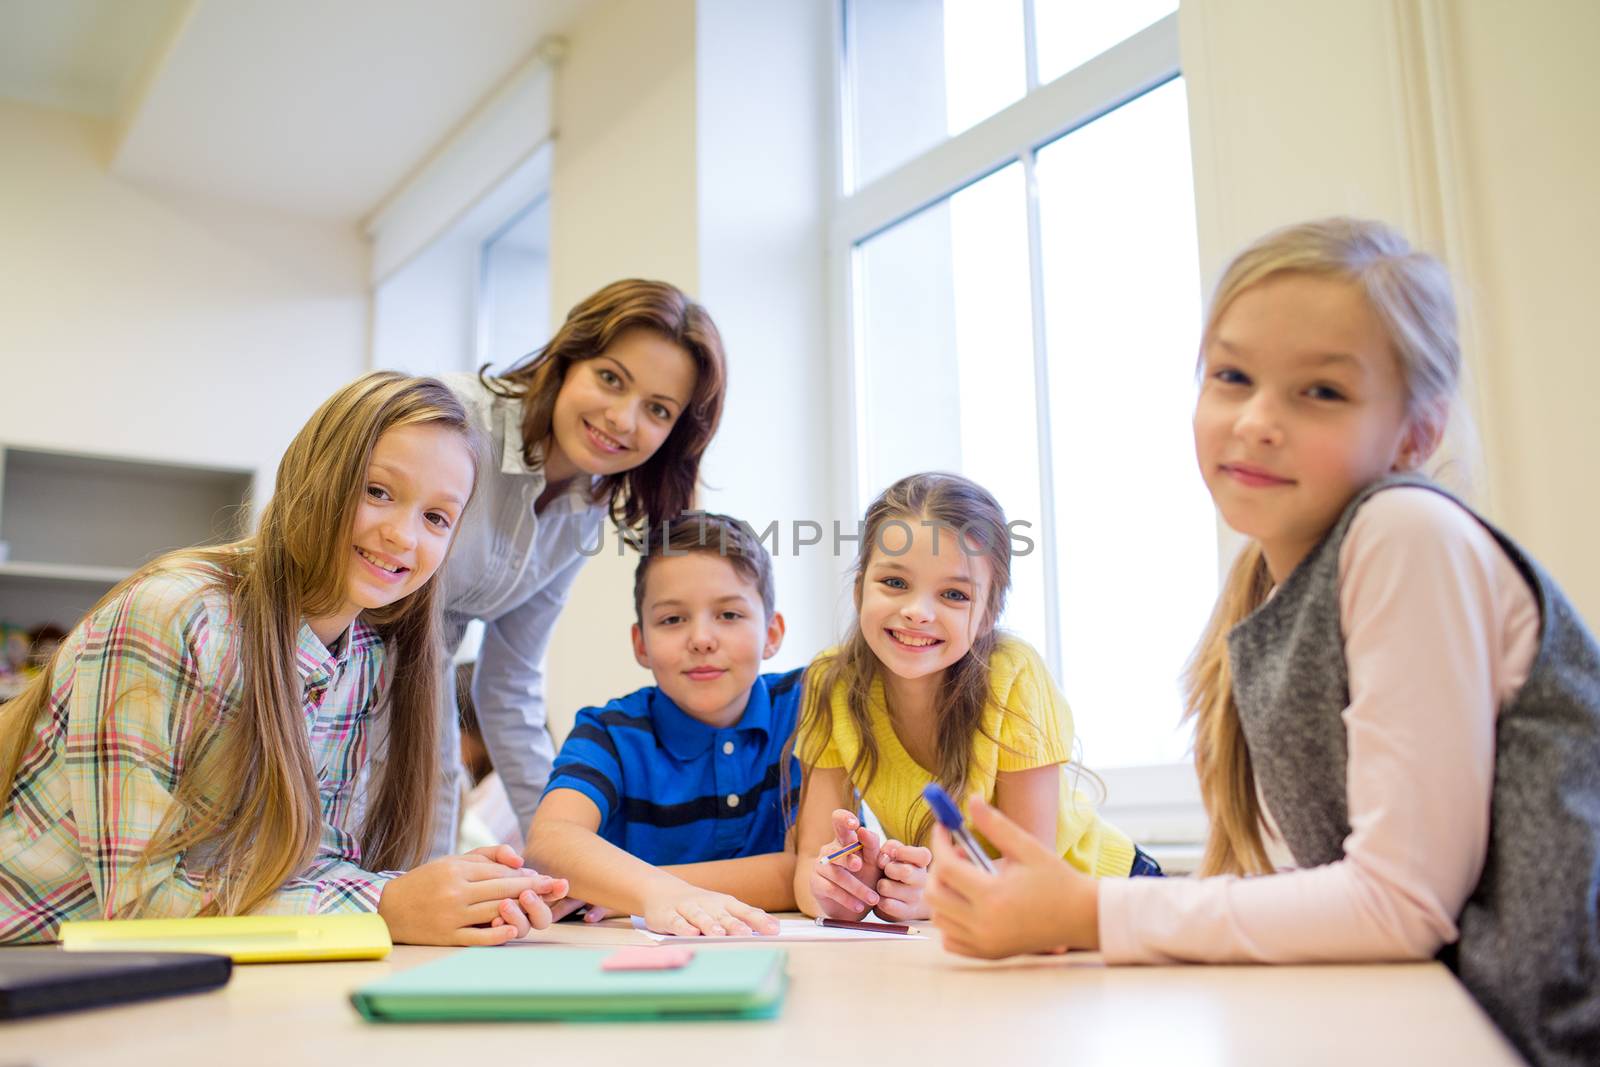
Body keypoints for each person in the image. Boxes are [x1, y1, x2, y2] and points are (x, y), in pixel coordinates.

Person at [924, 218, 1600, 1065]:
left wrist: (1088, 910)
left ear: (1417, 433)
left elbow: (1400, 901)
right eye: (1231, 376)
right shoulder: (1276, 585)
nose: (1254, 420)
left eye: (1320, 391)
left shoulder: (1405, 531)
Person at [0, 372, 567, 946]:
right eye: (377, 491)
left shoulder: (364, 656)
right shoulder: (174, 614)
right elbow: (140, 904)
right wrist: (387, 903)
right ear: (313, 476)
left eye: (437, 518)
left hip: (166, 969)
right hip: (34, 956)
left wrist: (472, 898)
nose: (402, 535)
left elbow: (302, 871)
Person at [436, 279, 728, 855]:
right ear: (570, 357)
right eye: (611, 378)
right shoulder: (454, 421)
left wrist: (563, 848)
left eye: (658, 409)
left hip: (418, 718)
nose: (622, 419)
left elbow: (509, 685)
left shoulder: (583, 511)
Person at [794, 472, 1146, 924]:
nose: (918, 612)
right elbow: (808, 864)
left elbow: (1033, 869)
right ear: (861, 588)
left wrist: (935, 892)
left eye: (954, 594)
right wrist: (837, 890)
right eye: (895, 583)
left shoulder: (1012, 674)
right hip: (987, 923)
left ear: (987, 616)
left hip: (1104, 895)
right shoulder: (831, 681)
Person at [526, 513, 800, 936]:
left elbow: (806, 871)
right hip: (643, 959)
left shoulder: (808, 708)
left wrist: (631, 889)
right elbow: (549, 843)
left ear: (772, 633)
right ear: (641, 644)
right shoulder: (609, 733)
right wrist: (657, 893)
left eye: (729, 614)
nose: (702, 639)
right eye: (673, 619)